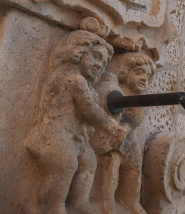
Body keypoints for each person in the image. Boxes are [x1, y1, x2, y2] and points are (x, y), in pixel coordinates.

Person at [25, 30, 129, 214]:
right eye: (95, 57)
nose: (99, 65)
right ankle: (49, 206)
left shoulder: (86, 84)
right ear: (78, 51)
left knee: (88, 163)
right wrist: (111, 125)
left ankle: (78, 203)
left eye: (104, 63)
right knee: (65, 165)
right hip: (53, 136)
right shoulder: (72, 78)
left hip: (75, 140)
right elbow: (90, 110)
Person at [92, 52, 155, 214]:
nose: (144, 79)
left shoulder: (141, 99)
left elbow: (135, 120)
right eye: (139, 73)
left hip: (129, 138)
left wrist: (125, 129)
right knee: (112, 163)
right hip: (111, 138)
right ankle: (106, 201)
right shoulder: (116, 90)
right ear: (125, 72)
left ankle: (131, 200)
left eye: (148, 76)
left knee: (134, 167)